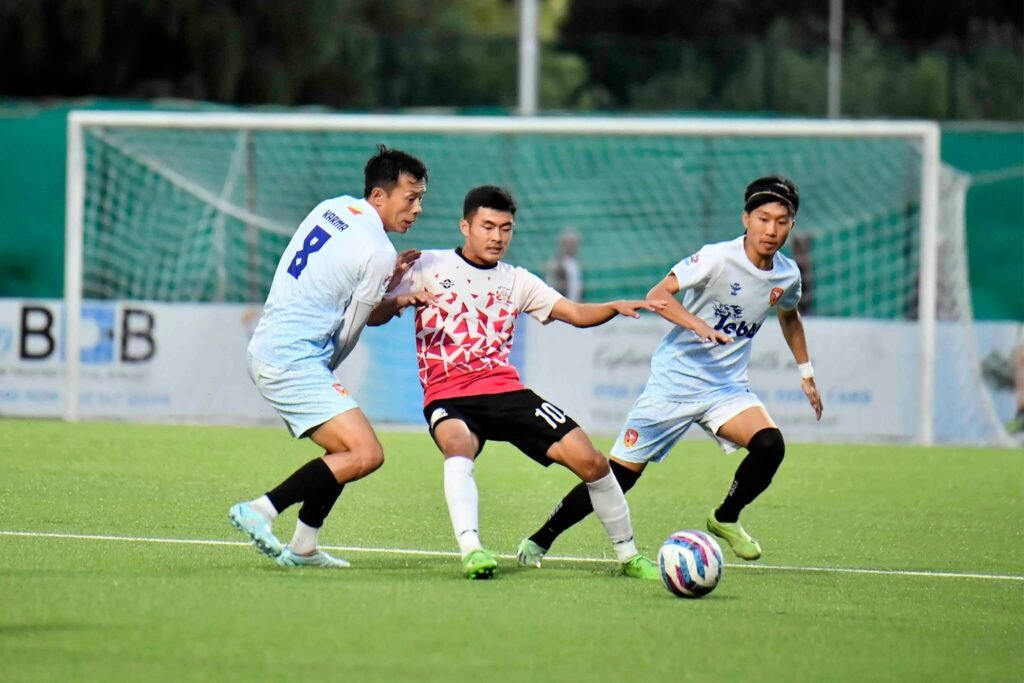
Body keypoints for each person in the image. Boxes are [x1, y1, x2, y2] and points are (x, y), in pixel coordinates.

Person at [517, 175, 823, 567]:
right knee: (618, 477)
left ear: (791, 225)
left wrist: (806, 371)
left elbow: (790, 315)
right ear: (746, 218)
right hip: (674, 384)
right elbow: (657, 295)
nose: (772, 229)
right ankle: (540, 539)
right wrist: (696, 325)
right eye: (763, 218)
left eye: (782, 221)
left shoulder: (787, 275)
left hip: (726, 389)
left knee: (770, 446)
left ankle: (725, 517)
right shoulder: (716, 258)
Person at [369, 185, 664, 580]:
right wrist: (398, 298)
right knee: (458, 448)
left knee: (592, 461)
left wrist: (612, 307)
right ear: (465, 226)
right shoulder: (427, 265)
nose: (497, 237)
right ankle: (472, 550)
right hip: (449, 393)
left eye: (505, 228)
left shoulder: (517, 280)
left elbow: (574, 313)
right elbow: (373, 315)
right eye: (488, 226)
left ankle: (628, 555)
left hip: (506, 391)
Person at [227, 146, 428, 568]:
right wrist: (390, 297)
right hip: (293, 360)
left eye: (420, 199)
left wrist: (391, 291)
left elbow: (337, 279)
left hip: (268, 345)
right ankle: (260, 509)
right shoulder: (378, 252)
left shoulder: (333, 208)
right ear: (379, 196)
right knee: (365, 453)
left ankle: (302, 547)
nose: (418, 209)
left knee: (343, 450)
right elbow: (356, 328)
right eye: (410, 198)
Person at [545, 227, 583, 301]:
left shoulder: (574, 263)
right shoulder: (556, 263)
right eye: (570, 243)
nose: (573, 247)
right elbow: (552, 285)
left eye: (574, 244)